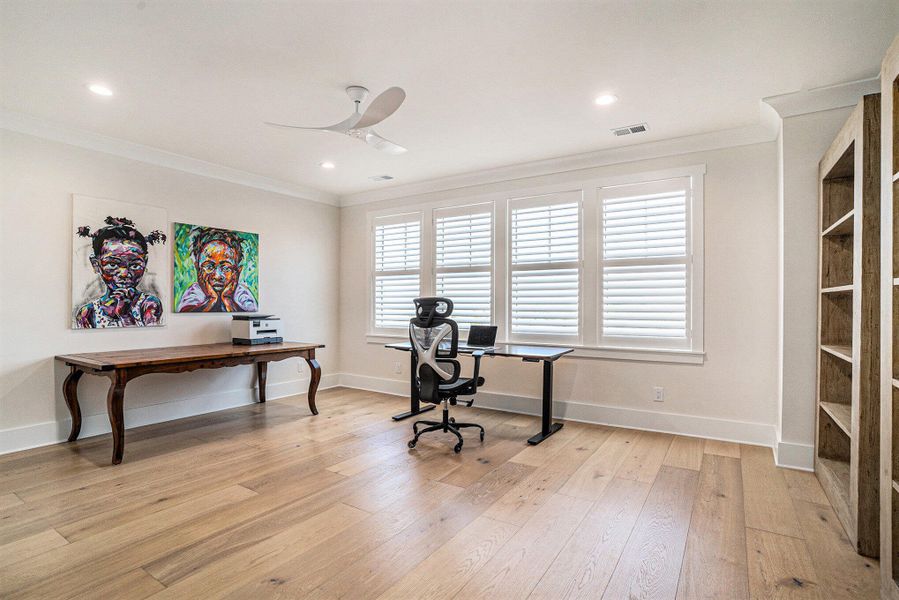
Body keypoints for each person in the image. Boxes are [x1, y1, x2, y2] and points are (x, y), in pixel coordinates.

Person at [74, 216, 166, 328]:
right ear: (96, 264)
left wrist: (126, 315)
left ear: (145, 263)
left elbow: (148, 337)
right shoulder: (87, 313)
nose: (124, 274)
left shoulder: (149, 304)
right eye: (112, 265)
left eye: (135, 265)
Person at [176, 226, 258, 312]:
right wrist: (212, 300)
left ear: (237, 272)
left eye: (226, 268)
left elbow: (251, 313)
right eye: (209, 267)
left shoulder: (241, 292)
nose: (217, 276)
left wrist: (227, 300)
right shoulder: (196, 290)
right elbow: (185, 311)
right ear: (198, 269)